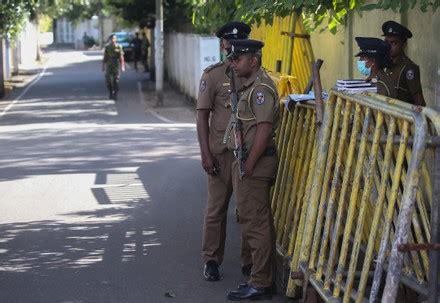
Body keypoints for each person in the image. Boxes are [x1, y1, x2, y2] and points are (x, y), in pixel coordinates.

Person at [196, 21, 253, 282]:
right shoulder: (213, 75)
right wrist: (206, 154)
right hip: (220, 153)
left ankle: (249, 262)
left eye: (238, 42)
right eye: (228, 43)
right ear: (222, 44)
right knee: (216, 209)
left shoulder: (253, 74)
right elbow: (202, 117)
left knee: (248, 209)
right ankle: (211, 260)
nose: (232, 46)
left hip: (247, 153)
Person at [226, 39, 279, 301]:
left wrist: (249, 164)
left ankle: (260, 282)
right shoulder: (249, 87)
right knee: (253, 220)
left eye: (238, 59)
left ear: (253, 60)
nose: (233, 64)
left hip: (256, 164)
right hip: (250, 162)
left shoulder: (260, 89)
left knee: (256, 224)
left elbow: (264, 129)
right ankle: (259, 277)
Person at [381, 20, 426, 106]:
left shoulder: (409, 68)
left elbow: (419, 102)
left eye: (393, 43)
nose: (389, 46)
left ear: (403, 44)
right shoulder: (388, 65)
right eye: (386, 42)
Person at [103, 34, 125, 100]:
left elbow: (121, 57)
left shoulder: (119, 46)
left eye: (114, 38)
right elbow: (105, 57)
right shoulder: (107, 47)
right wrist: (103, 65)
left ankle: (115, 94)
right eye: (112, 38)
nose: (113, 40)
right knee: (108, 80)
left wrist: (122, 66)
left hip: (116, 64)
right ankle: (110, 92)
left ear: (116, 39)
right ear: (110, 39)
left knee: (116, 80)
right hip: (109, 64)